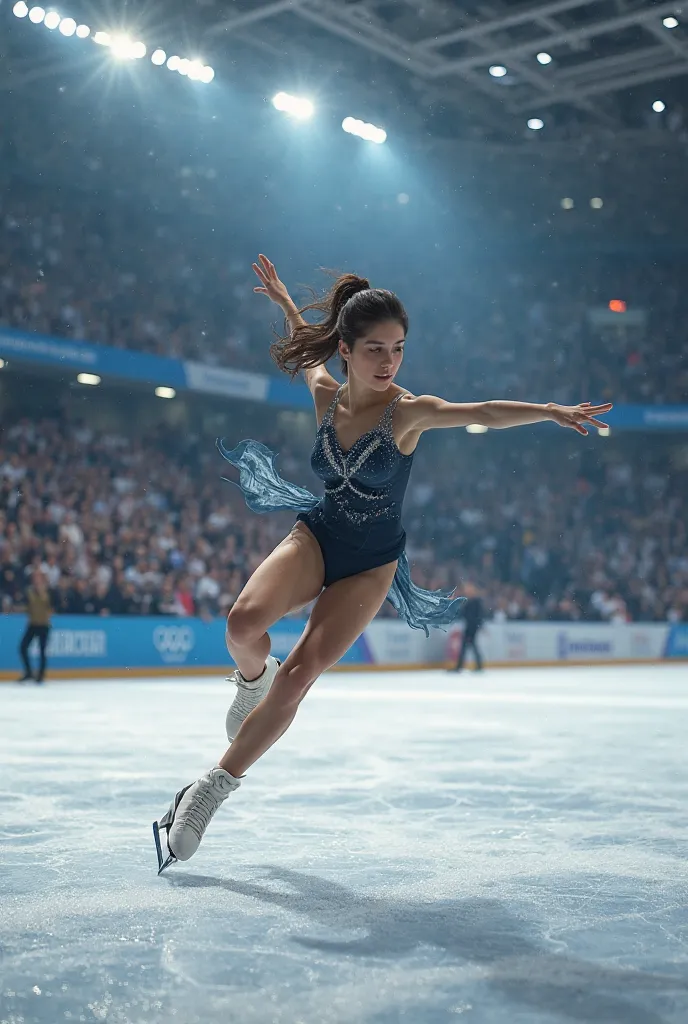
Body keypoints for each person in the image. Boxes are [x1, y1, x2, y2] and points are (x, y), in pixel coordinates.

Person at [152, 254, 613, 873]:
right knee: (241, 626)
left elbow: (479, 411)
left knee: (301, 674)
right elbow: (304, 347)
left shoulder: (410, 411)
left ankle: (206, 791)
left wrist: (550, 411)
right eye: (374, 349)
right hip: (318, 535)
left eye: (397, 348)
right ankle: (250, 682)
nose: (388, 361)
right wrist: (287, 305)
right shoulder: (323, 392)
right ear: (347, 350)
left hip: (370, 562)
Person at [18, 571, 52, 684]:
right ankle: (29, 672)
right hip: (32, 624)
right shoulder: (29, 592)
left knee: (42, 650)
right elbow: (25, 605)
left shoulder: (48, 592)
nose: (37, 581)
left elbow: (53, 605)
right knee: (23, 647)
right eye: (35, 579)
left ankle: (41, 675)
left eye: (39, 579)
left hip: (43, 625)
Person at [449, 582, 485, 672]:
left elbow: (478, 616)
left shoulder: (476, 602)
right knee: (469, 646)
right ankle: (477, 665)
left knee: (469, 646)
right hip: (469, 626)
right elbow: (464, 614)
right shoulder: (468, 602)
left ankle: (462, 666)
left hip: (472, 627)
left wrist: (477, 626)